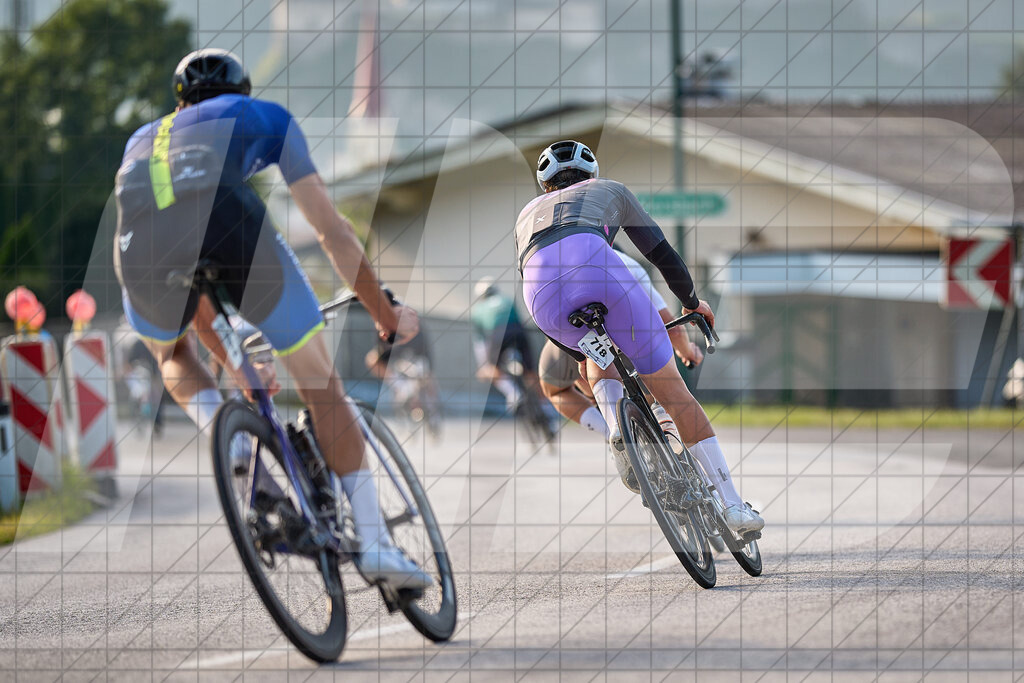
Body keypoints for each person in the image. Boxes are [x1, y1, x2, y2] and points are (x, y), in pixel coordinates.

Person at [113, 48, 431, 588]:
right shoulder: (265, 117)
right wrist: (384, 312)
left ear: (180, 102)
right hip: (230, 224)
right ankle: (376, 545)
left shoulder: (144, 137)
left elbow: (189, 274)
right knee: (321, 385)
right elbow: (332, 231)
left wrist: (236, 369)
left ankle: (227, 431)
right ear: (244, 89)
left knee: (170, 353)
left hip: (138, 249)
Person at [515, 139, 764, 533]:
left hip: (541, 299)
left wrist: (581, 351)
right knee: (675, 395)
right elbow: (660, 253)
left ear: (545, 186)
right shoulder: (611, 189)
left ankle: (617, 428)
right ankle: (733, 506)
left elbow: (527, 272)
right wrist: (691, 301)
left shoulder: (526, 213)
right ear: (591, 174)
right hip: (603, 276)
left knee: (593, 360)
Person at [538, 249, 704, 445]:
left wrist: (579, 358)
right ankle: (661, 417)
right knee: (658, 379)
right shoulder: (626, 262)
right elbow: (671, 328)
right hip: (629, 333)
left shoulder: (560, 258)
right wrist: (687, 351)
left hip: (579, 338)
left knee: (555, 388)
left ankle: (612, 430)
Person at [470, 277, 537, 411]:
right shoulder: (507, 301)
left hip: (498, 335)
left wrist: (484, 365)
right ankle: (544, 408)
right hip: (519, 332)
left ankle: (513, 393)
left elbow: (480, 343)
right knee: (530, 373)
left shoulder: (477, 310)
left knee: (490, 370)